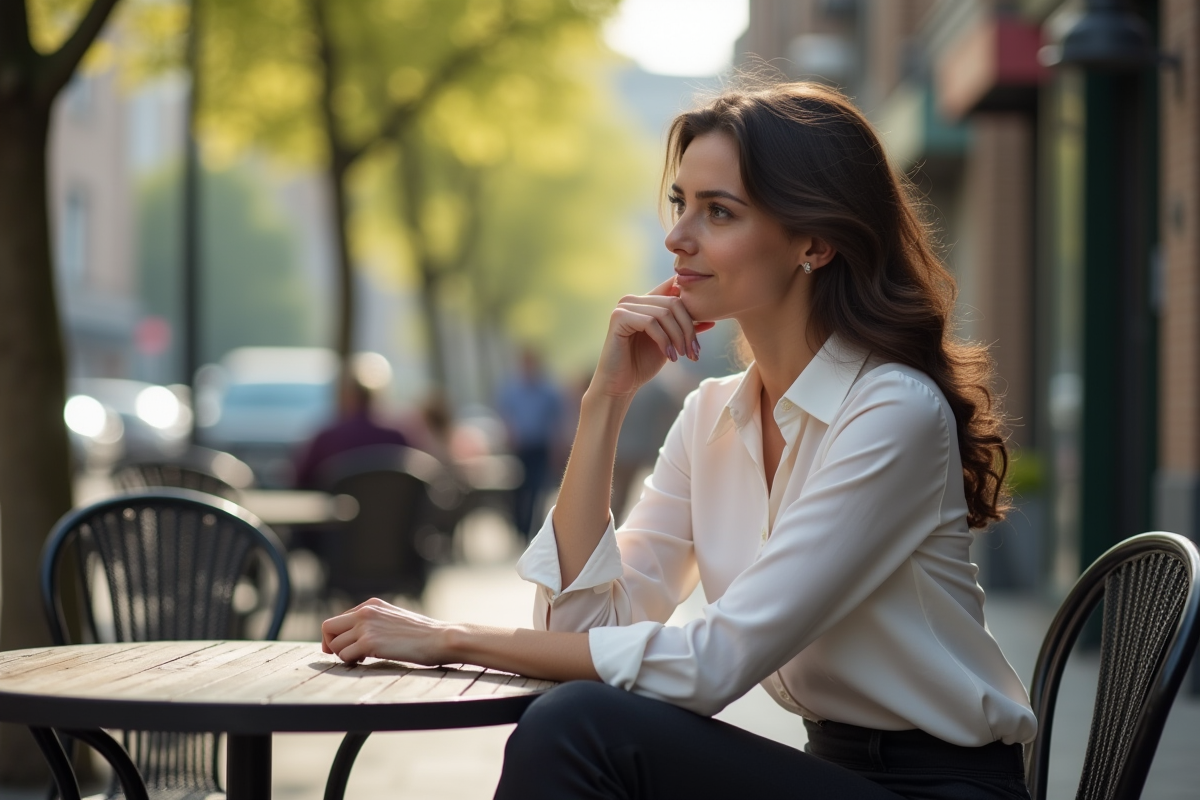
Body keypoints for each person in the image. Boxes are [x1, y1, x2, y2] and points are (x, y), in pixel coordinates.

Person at [319, 80, 1036, 800]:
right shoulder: (711, 414)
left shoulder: (891, 412)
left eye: (718, 211)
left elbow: (714, 663)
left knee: (581, 727)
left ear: (814, 242)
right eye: (679, 203)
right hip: (830, 771)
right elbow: (583, 626)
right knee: (577, 715)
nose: (677, 238)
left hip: (943, 789)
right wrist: (605, 404)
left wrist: (449, 637)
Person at [292, 376, 409, 490]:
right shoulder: (396, 436)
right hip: (389, 508)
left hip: (339, 507)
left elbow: (302, 479)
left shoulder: (327, 438)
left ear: (348, 398)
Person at [495, 348, 564, 539]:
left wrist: (556, 448)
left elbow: (555, 422)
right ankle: (519, 527)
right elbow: (505, 416)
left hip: (540, 447)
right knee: (517, 490)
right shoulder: (511, 390)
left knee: (536, 489)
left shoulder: (548, 392)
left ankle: (531, 529)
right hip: (518, 448)